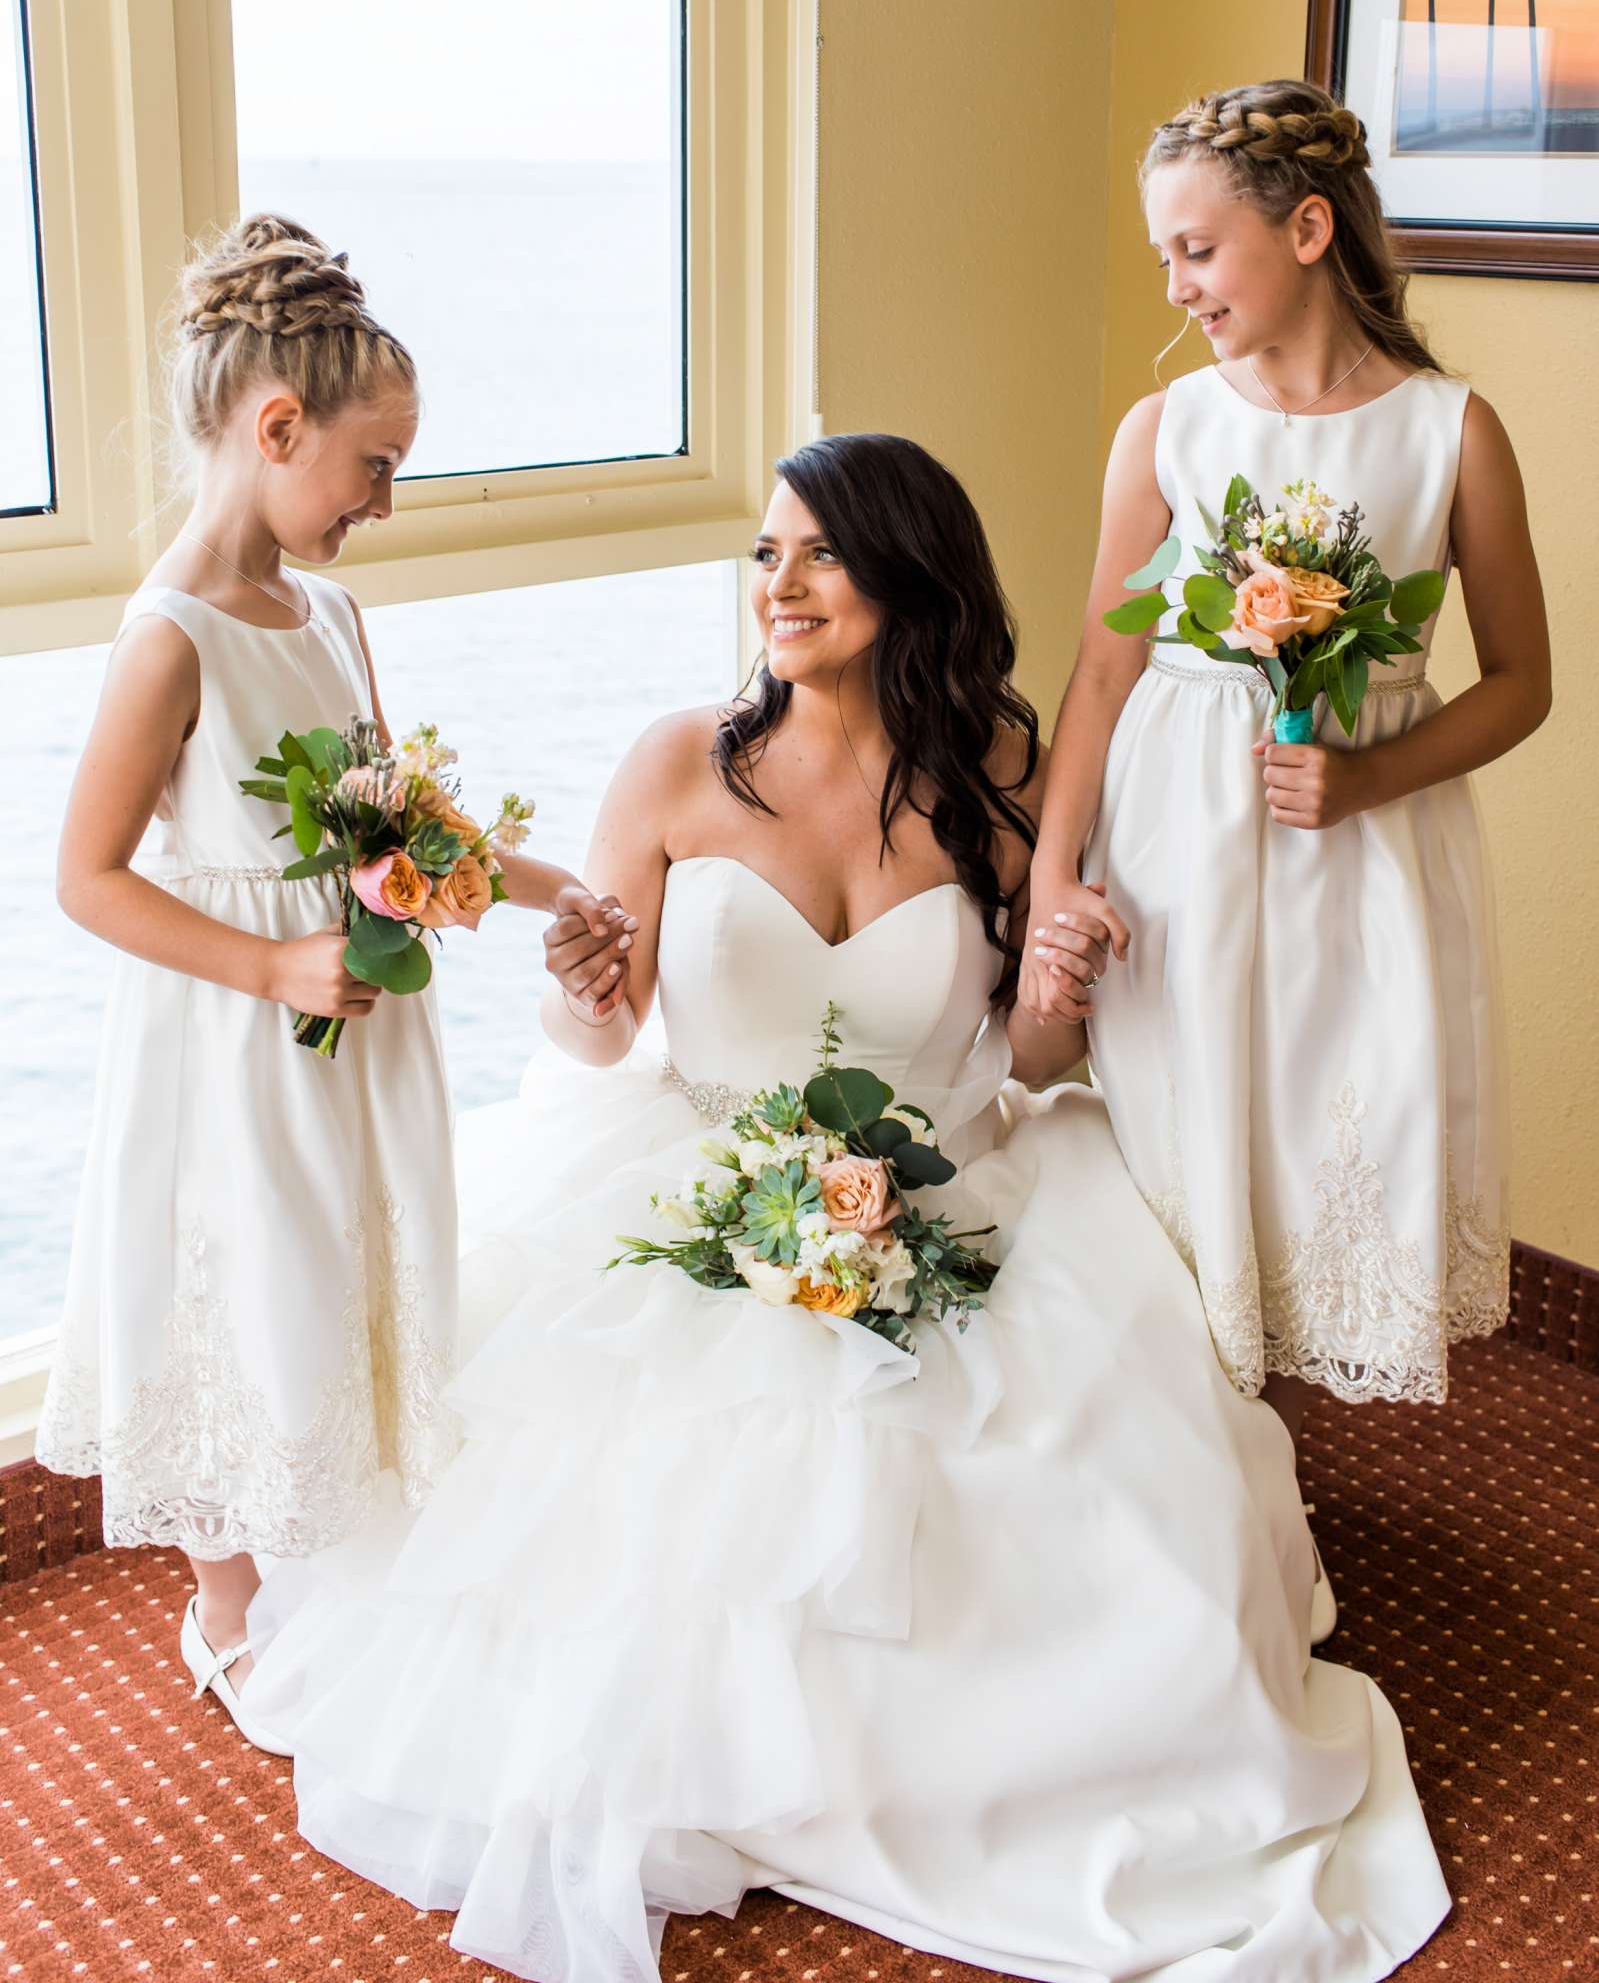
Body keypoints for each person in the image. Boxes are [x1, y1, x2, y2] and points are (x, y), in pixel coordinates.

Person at [243, 431, 1448, 1983]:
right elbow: (601, 1039)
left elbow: (1032, 1053)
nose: (780, 585)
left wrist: (1065, 985)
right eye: (764, 553)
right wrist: (584, 988)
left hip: (954, 1180)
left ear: (907, 571)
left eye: (816, 553)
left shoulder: (1003, 773)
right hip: (699, 1179)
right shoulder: (680, 764)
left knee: (1072, 1506)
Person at [34, 215, 629, 1751]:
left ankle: (339, 1542)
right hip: (232, 1029)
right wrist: (271, 957)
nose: (386, 499)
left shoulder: (333, 615)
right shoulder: (168, 641)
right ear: (276, 428)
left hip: (358, 1024)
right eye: (373, 466)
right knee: (243, 1273)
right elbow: (86, 879)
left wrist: (556, 885)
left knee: (342, 1261)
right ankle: (223, 1599)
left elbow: (386, 823)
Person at [1024, 80, 1550, 1633]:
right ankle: (1174, 1504)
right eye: (1166, 260)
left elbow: (1523, 682)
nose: (1179, 290)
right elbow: (1104, 673)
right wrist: (1059, 871)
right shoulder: (1169, 429)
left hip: (1354, 865)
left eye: (1199, 251)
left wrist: (1373, 767)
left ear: (1307, 230)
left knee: (1313, 1136)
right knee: (1177, 1138)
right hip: (1179, 848)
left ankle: (1269, 1508)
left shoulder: (1452, 433)